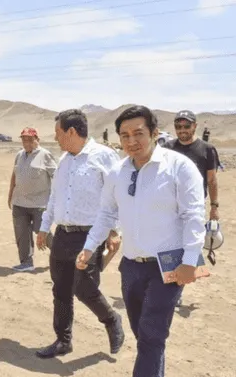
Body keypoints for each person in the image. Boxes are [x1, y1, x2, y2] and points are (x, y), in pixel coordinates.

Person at [76, 105, 206, 377]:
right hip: (131, 266)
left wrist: (190, 262)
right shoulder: (117, 172)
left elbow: (194, 216)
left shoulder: (179, 167)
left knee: (151, 335)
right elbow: (107, 213)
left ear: (155, 133)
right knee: (143, 333)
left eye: (138, 133)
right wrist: (89, 247)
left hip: (168, 265)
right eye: (124, 135)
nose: (131, 141)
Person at [35, 109, 125, 359]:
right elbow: (55, 197)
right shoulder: (64, 160)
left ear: (71, 131)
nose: (56, 138)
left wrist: (114, 231)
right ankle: (63, 341)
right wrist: (44, 227)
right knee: (61, 290)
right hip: (62, 235)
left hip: (90, 236)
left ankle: (111, 319)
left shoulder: (104, 156)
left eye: (58, 133)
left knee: (84, 288)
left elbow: (116, 196)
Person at [8, 127, 57, 272]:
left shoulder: (45, 155)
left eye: (30, 139)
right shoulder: (19, 155)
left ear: (37, 140)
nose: (27, 142)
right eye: (24, 139)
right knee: (22, 234)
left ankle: (60, 256)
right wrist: (10, 194)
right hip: (19, 202)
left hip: (39, 203)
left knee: (43, 231)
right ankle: (26, 262)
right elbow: (14, 174)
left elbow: (57, 176)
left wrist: (56, 197)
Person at [163, 110, 219, 220]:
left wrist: (214, 207)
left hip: (194, 205)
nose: (182, 130)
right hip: (170, 205)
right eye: (178, 127)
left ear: (195, 126)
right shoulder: (167, 148)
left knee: (193, 236)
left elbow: (212, 181)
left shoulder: (207, 149)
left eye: (186, 126)